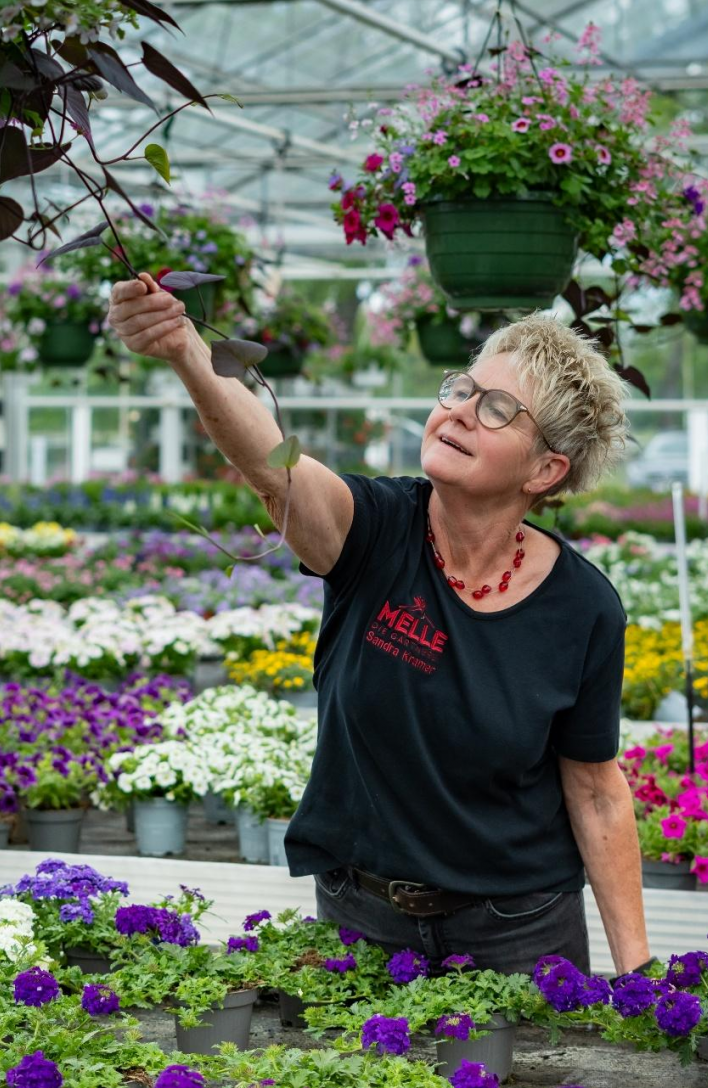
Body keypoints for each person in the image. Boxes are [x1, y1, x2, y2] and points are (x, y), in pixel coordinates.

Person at [107, 274, 650, 980]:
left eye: (496, 409)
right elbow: (276, 471)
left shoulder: (583, 607)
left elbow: (597, 791)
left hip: (518, 932)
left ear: (545, 469)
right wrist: (185, 347)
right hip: (362, 919)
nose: (458, 412)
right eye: (459, 390)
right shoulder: (376, 532)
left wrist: (638, 972)